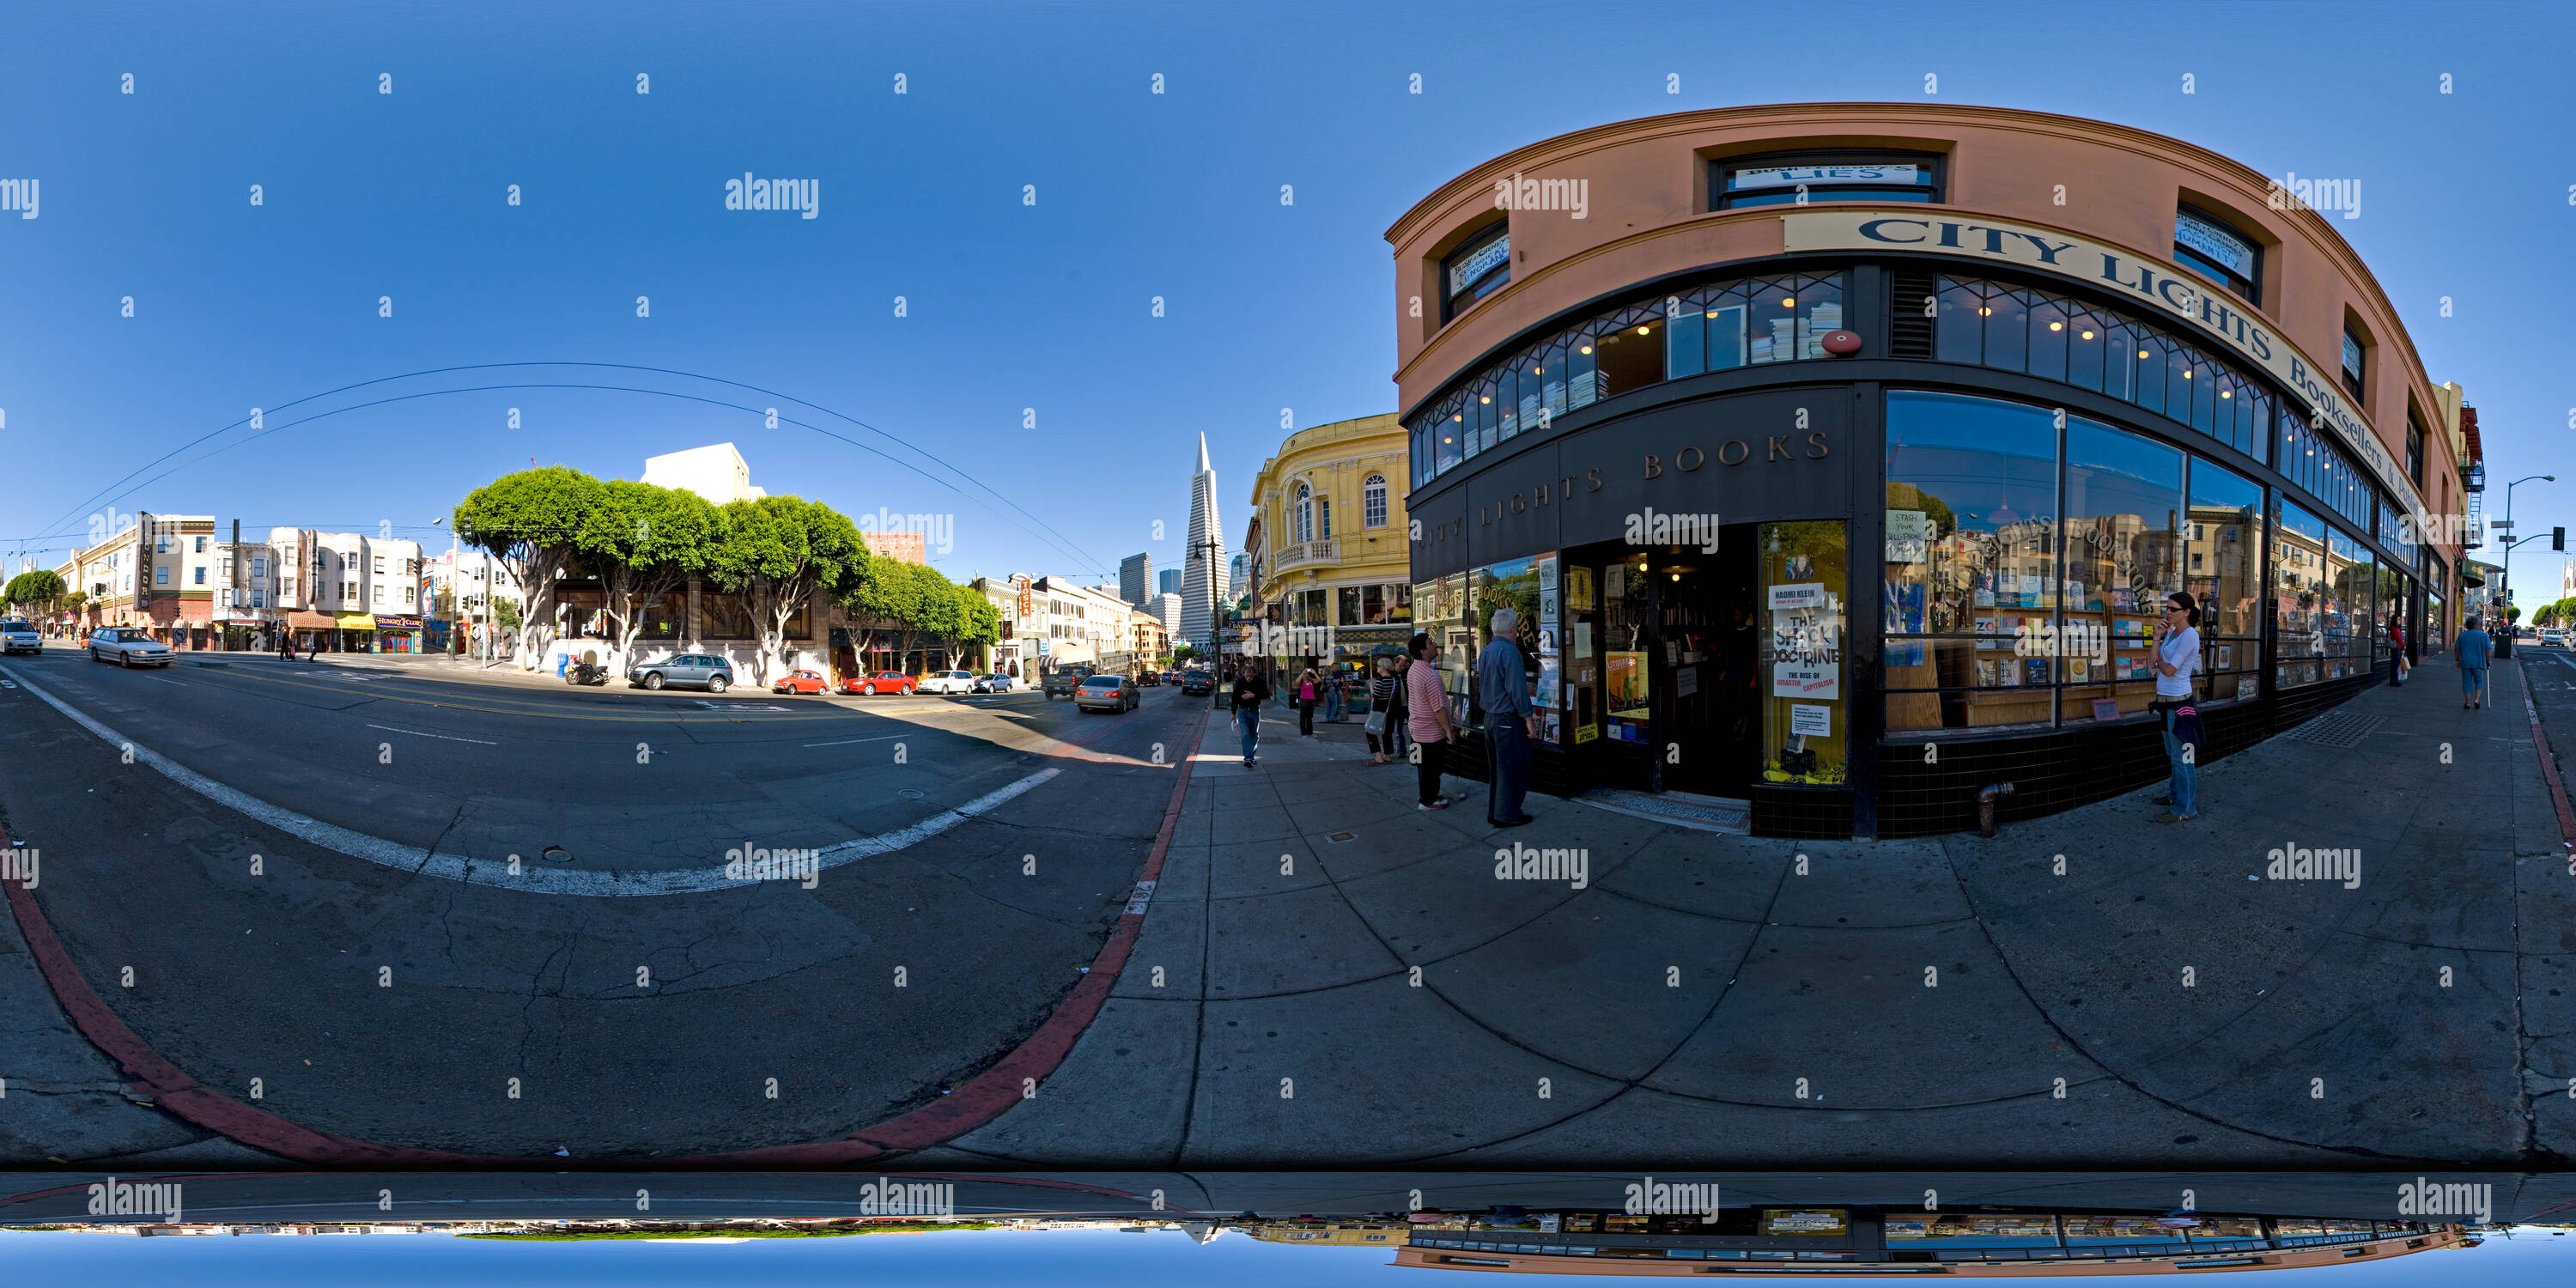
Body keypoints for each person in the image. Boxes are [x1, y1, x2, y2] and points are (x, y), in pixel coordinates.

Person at [1478, 606, 1539, 828]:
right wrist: (1529, 720)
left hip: (1490, 718)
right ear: (1513, 628)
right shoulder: (1510, 652)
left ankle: (1496, 811)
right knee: (1512, 768)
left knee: (1497, 769)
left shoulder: (1486, 650)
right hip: (1506, 719)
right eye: (1516, 630)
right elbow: (1517, 690)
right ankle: (1507, 814)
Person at [2151, 591, 2202, 823]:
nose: (2168, 613)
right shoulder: (2171, 634)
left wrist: (2161, 663)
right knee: (2174, 756)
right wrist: (2156, 637)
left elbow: (2170, 670)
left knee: (2184, 759)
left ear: (2187, 612)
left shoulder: (2190, 635)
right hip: (2165, 703)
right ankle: (2175, 796)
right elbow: (2153, 663)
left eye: (2173, 609)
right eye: (2167, 608)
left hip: (2180, 704)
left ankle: (2186, 807)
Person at [1405, 633, 1461, 810]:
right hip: (1430, 733)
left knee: (1422, 767)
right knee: (1432, 769)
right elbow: (1439, 709)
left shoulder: (1413, 669)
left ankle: (1426, 795)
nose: (1435, 645)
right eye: (1430, 643)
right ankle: (1428, 801)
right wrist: (1449, 731)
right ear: (1423, 651)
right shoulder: (1431, 676)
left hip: (1415, 729)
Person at [1366, 654, 1406, 766]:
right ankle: (1387, 756)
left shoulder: (1381, 681)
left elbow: (1376, 696)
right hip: (1391, 711)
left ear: (1384, 667)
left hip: (1379, 711)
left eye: (1379, 666)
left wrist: (1371, 687)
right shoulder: (1394, 681)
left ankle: (1378, 757)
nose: (1377, 668)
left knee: (1370, 731)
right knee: (1387, 733)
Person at [1231, 665, 1272, 768]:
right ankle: (1248, 758)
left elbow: (1266, 694)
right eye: (1247, 676)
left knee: (1254, 735)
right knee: (1245, 734)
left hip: (1254, 711)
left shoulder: (1259, 681)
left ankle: (1251, 756)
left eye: (1251, 676)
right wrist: (1233, 713)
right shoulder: (1240, 681)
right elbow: (1235, 697)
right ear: (1243, 674)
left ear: (1254, 674)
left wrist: (1253, 695)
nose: (1249, 678)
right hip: (1242, 711)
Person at [2457, 616, 2493, 710]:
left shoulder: (2462, 635)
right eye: (2480, 624)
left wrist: (2457, 660)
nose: (2481, 626)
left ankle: (2468, 703)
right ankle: (2476, 700)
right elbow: (2488, 650)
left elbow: (2457, 649)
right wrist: (2488, 661)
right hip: (2479, 663)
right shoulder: (2484, 636)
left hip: (2466, 663)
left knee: (2466, 683)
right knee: (2479, 681)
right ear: (2475, 625)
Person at [1294, 664, 1321, 737]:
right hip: (1303, 701)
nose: (1306, 673)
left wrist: (1314, 673)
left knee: (1309, 717)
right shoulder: (1301, 682)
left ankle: (1310, 732)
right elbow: (1297, 681)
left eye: (1306, 672)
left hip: (1311, 701)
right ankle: (1303, 733)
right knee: (1303, 717)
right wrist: (1302, 673)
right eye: (1305, 672)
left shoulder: (1311, 681)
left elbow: (1319, 680)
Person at [2388, 617, 2409, 686]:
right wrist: (2403, 647)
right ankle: (2393, 681)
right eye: (2399, 619)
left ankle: (2395, 680)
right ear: (2395, 620)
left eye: (2400, 619)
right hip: (2396, 649)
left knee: (2396, 666)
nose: (2400, 620)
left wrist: (2402, 647)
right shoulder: (2394, 629)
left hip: (2398, 648)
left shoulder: (2396, 629)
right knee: (2395, 666)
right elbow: (2399, 639)